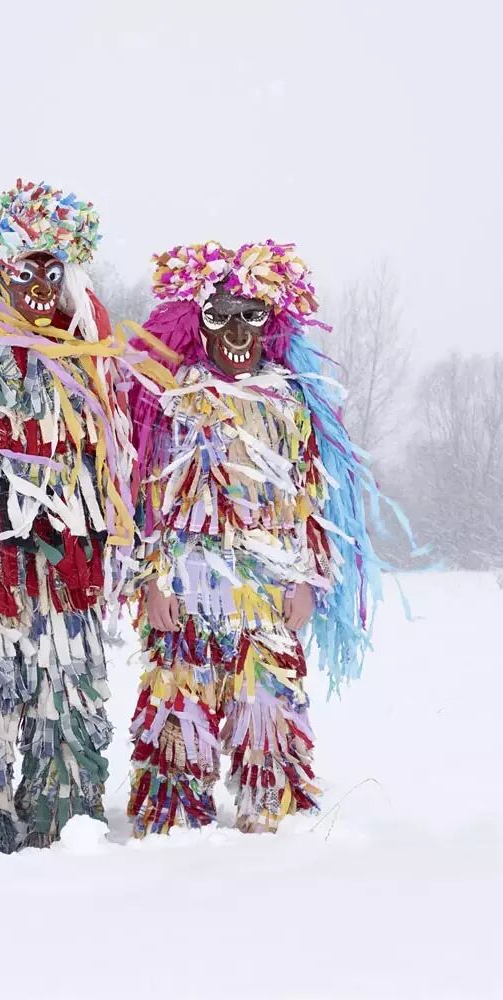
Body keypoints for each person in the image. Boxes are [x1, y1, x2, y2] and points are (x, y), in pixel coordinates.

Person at [0, 180, 170, 851]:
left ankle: (64, 831)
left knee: (68, 702)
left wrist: (135, 561)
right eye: (24, 271)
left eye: (52, 272)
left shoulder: (93, 366)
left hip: (71, 571)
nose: (40, 287)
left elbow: (120, 469)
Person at [126, 239, 387, 836]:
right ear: (196, 322)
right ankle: (174, 817)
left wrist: (307, 579)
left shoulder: (289, 401)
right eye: (220, 316)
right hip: (188, 584)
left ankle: (270, 814)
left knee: (268, 700)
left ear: (272, 323)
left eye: (252, 315)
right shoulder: (176, 397)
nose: (238, 331)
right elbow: (149, 497)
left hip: (268, 588)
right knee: (178, 699)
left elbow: (309, 499)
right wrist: (153, 581)